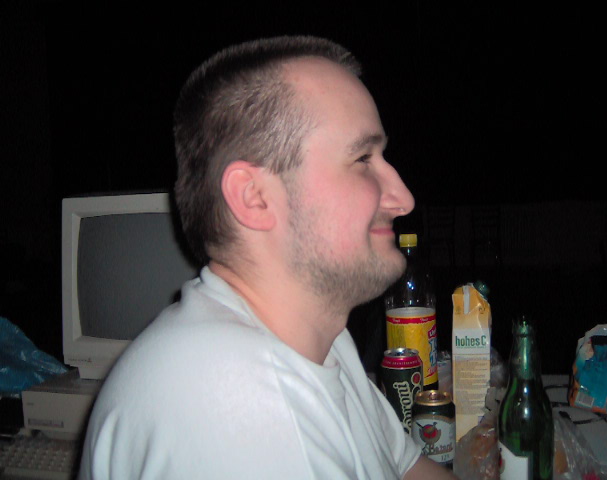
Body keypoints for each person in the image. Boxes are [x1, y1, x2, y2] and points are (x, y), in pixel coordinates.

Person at [79, 35, 457, 479]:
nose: (403, 198)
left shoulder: (319, 336)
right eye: (362, 158)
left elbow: (409, 468)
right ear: (254, 197)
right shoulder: (240, 411)